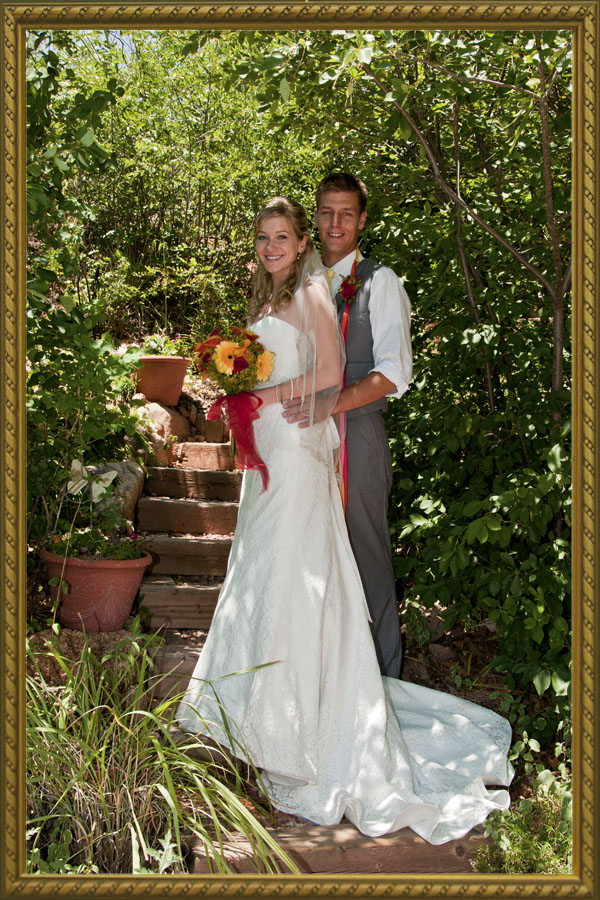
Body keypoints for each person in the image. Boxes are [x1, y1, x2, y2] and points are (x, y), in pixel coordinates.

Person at [177, 196, 513, 842]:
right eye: (263, 237)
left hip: (299, 455)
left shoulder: (311, 295)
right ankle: (260, 726)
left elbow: (329, 374)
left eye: (282, 236)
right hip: (270, 452)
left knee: (294, 579)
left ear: (302, 242)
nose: (273, 246)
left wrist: (262, 395)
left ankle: (308, 737)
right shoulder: (267, 301)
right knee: (262, 578)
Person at [283, 174, 411, 679]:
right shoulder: (295, 282)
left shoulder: (381, 282)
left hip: (355, 434)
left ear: (361, 220)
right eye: (326, 211)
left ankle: (383, 681)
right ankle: (325, 681)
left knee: (366, 553)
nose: (335, 222)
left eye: (346, 213)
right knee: (311, 553)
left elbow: (393, 373)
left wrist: (331, 404)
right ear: (314, 217)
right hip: (302, 439)